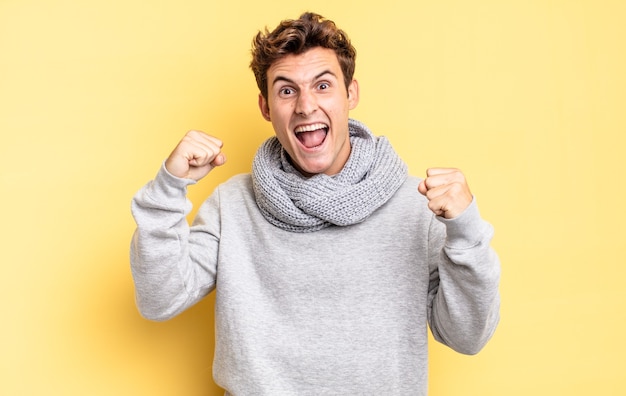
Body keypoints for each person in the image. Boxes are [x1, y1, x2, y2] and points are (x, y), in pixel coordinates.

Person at [130, 12, 500, 395]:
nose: (306, 106)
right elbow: (160, 299)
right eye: (286, 90)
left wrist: (466, 230)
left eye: (322, 85)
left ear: (350, 93)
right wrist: (169, 188)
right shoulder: (233, 205)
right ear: (265, 107)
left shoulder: (417, 206)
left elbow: (467, 337)